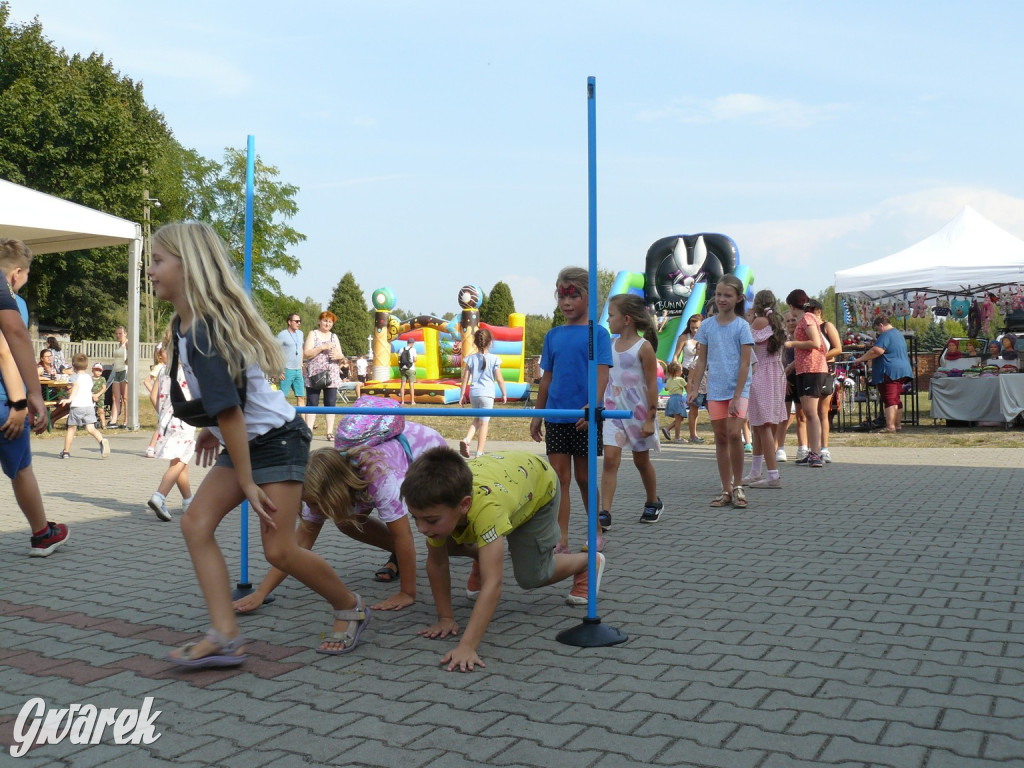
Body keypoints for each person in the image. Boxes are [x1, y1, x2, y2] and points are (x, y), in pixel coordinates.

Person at [149, 220, 368, 667]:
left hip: (278, 440)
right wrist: (212, 427)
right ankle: (225, 635)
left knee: (279, 550)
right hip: (248, 439)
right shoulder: (186, 324)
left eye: (157, 261)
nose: (149, 270)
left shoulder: (205, 329)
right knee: (195, 525)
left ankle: (350, 606)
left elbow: (232, 409)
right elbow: (230, 400)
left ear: (188, 267)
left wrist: (245, 479)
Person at [402, 447, 605, 672]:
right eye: (415, 518)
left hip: (538, 489)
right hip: (508, 482)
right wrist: (445, 618)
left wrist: (467, 646)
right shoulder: (442, 502)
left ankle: (587, 562)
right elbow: (437, 562)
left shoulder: (487, 510)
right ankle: (485, 557)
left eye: (430, 519)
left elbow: (494, 584)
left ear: (464, 504)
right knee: (443, 542)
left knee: (531, 576)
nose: (420, 528)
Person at [234, 421, 447, 614]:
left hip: (427, 453)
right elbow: (297, 545)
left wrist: (407, 593)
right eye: (307, 502)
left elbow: (403, 536)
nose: (311, 508)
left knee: (437, 525)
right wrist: (261, 592)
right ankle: (401, 557)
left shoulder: (380, 477)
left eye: (314, 504)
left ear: (333, 492)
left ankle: (472, 558)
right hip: (369, 474)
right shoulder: (317, 486)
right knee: (346, 523)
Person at [529, 267, 611, 552]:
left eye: (573, 295)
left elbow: (602, 374)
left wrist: (594, 405)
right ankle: (560, 537)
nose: (566, 302)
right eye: (561, 295)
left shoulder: (597, 334)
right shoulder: (553, 335)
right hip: (556, 415)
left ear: (588, 297)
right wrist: (538, 415)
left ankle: (596, 531)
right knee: (559, 479)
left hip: (584, 417)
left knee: (584, 477)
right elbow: (546, 379)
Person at [0, 238, 66, 556]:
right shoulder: (12, 300)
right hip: (4, 402)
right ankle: (42, 534)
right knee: (21, 468)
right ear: (16, 273)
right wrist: (21, 401)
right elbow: (6, 350)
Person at [687, 275, 754, 509]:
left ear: (738, 298)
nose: (722, 299)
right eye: (719, 294)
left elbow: (745, 364)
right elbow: (701, 359)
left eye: (727, 295)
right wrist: (694, 388)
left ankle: (738, 486)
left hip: (738, 389)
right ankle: (725, 488)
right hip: (715, 390)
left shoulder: (742, 326)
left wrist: (737, 395)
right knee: (721, 437)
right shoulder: (707, 325)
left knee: (735, 434)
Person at [601, 293, 662, 532]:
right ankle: (605, 511)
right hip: (613, 411)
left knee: (641, 460)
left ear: (626, 319)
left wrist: (651, 417)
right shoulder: (609, 345)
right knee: (610, 459)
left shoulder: (644, 347)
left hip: (638, 412)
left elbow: (652, 384)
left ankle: (653, 501)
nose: (607, 319)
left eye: (611, 315)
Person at [146, 331, 196, 521]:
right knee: (181, 460)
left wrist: (162, 413)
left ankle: (188, 501)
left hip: (166, 420)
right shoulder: (188, 371)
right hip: (185, 420)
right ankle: (160, 496)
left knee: (178, 462)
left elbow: (153, 395)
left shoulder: (162, 370)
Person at [742, 290, 788, 489]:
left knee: (763, 425)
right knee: (761, 424)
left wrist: (749, 319)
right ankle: (756, 470)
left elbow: (746, 343)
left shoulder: (759, 322)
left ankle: (772, 474)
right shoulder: (778, 322)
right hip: (776, 372)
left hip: (761, 372)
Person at [784, 289, 828, 468]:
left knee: (811, 413)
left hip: (813, 369)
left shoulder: (808, 319)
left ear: (793, 306)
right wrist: (791, 366)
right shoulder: (804, 319)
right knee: (807, 413)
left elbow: (816, 343)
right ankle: (812, 451)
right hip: (803, 369)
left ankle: (816, 453)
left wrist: (792, 343)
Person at [854, 313, 913, 433]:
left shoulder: (886, 335)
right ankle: (897, 425)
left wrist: (860, 359)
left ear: (881, 325)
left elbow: (877, 350)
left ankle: (890, 427)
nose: (878, 332)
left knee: (889, 398)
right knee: (896, 399)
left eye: (878, 329)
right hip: (902, 370)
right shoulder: (898, 334)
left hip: (890, 371)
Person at [459, 327, 507, 459]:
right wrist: (504, 393)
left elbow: (465, 378)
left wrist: (462, 395)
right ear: (490, 342)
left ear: (474, 343)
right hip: (487, 394)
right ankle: (479, 451)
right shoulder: (494, 359)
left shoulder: (470, 359)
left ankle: (467, 439)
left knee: (477, 419)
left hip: (474, 393)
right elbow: (499, 379)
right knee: (484, 423)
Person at [808, 299, 843, 463]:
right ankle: (811, 449)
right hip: (810, 371)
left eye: (811, 310)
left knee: (823, 412)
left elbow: (838, 348)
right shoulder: (807, 328)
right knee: (810, 412)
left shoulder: (826, 326)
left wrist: (820, 357)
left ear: (819, 312)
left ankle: (825, 448)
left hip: (826, 370)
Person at [57, 354, 111, 460]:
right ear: (87, 367)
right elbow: (87, 390)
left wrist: (69, 399)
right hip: (89, 407)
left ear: (73, 366)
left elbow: (76, 387)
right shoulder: (88, 378)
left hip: (77, 406)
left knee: (71, 429)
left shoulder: (74, 377)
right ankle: (101, 441)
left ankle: (66, 452)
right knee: (91, 428)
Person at [303, 311, 345, 439]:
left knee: (330, 403)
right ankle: (309, 431)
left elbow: (341, 356)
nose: (327, 323)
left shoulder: (334, 336)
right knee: (312, 402)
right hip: (314, 375)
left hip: (331, 375)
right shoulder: (313, 334)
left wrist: (339, 356)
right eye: (325, 321)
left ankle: (329, 432)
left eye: (330, 322)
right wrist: (322, 347)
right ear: (319, 321)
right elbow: (307, 353)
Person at [776, 309, 807, 462]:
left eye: (793, 320)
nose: (791, 323)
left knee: (802, 416)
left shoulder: (803, 338)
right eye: (788, 321)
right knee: (784, 416)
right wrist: (784, 378)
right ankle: (780, 448)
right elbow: (779, 361)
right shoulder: (783, 341)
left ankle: (803, 447)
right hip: (786, 379)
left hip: (801, 377)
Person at [671, 313, 706, 443]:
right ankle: (693, 434)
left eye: (697, 328)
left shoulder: (706, 338)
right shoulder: (684, 338)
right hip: (686, 372)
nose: (695, 330)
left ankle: (672, 429)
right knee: (693, 403)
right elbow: (676, 355)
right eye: (692, 328)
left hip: (702, 373)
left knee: (697, 404)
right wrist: (677, 367)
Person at [276, 314, 306, 409]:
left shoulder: (300, 333)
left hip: (298, 370)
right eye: (296, 321)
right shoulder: (282, 335)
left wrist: (301, 365)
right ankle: (281, 422)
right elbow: (274, 351)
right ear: (289, 322)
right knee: (283, 397)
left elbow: (300, 349)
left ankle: (303, 423)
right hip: (286, 370)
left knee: (301, 397)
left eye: (300, 321)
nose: (299, 323)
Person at [142, 343, 165, 458]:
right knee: (162, 424)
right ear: (160, 355)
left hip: (166, 398)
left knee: (164, 423)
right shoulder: (159, 367)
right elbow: (146, 381)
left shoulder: (166, 367)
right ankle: (151, 447)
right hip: (162, 400)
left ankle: (159, 447)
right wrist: (154, 393)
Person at [661, 361, 687, 443]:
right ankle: (677, 437)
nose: (682, 372)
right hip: (677, 399)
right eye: (681, 370)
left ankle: (667, 429)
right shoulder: (680, 380)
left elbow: (666, 389)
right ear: (677, 372)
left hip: (671, 399)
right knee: (679, 418)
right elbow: (687, 386)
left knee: (680, 418)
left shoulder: (669, 380)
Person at [109, 325, 128, 428]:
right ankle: (114, 419)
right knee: (115, 396)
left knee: (125, 397)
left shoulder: (127, 343)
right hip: (117, 371)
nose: (118, 335)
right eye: (116, 333)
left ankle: (126, 420)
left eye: (120, 333)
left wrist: (127, 361)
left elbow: (132, 355)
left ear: (125, 333)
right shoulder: (119, 345)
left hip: (125, 371)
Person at [398, 338, 418, 405]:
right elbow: (415, 360)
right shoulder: (413, 349)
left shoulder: (401, 349)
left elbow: (399, 360)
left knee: (403, 385)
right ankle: (412, 401)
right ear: (412, 343)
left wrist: (400, 368)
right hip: (411, 369)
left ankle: (402, 401)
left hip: (403, 369)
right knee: (411, 385)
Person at [90, 362, 109, 429]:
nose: (98, 372)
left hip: (100, 397)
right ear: (92, 370)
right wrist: (92, 395)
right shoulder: (90, 379)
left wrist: (97, 395)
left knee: (101, 411)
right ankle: (90, 425)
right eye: (96, 370)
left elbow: (104, 388)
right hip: (91, 397)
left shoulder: (102, 379)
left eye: (100, 371)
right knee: (90, 411)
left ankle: (104, 425)